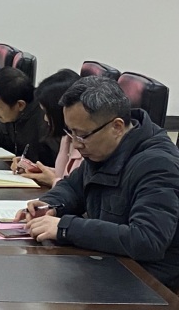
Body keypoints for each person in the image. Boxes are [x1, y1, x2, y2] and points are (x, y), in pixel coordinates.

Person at [16, 76, 179, 290]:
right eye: (71, 132)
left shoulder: (158, 164)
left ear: (117, 127)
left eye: (82, 135)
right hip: (108, 265)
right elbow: (73, 187)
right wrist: (50, 205)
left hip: (148, 285)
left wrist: (66, 228)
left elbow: (147, 240)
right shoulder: (104, 149)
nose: (76, 144)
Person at [13, 68, 81, 187]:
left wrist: (53, 181)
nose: (45, 118)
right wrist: (36, 169)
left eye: (47, 113)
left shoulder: (86, 144)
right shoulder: (67, 136)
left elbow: (79, 190)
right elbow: (65, 175)